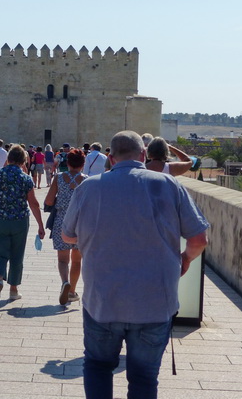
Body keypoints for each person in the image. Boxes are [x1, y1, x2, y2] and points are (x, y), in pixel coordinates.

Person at [61, 130, 209, 399]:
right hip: (154, 303)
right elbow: (199, 239)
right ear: (143, 154)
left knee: (97, 366)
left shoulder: (89, 187)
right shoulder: (169, 185)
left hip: (102, 301)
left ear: (111, 157)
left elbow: (67, 235)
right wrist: (184, 260)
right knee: (143, 378)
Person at [0, 144, 45, 303]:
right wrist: (40, 225)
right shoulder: (26, 178)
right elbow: (34, 204)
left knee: (0, 251)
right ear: (24, 161)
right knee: (17, 255)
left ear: (8, 159)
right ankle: (14, 290)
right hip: (20, 221)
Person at [44, 148, 87, 304]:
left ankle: (64, 283)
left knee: (63, 260)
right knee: (77, 261)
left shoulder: (59, 178)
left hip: (62, 221)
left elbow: (48, 201)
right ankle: (72, 291)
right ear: (83, 164)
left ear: (67, 163)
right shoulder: (87, 180)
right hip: (80, 223)